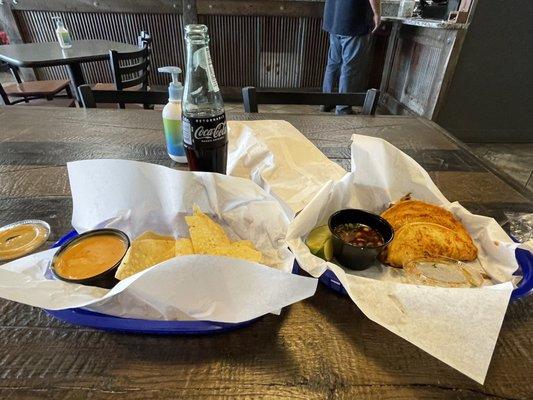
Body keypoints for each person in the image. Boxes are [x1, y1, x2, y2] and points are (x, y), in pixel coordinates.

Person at [321, 0, 381, 115]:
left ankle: (325, 102)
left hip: (333, 17)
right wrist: (377, 13)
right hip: (353, 19)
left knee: (333, 63)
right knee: (349, 66)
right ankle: (343, 108)